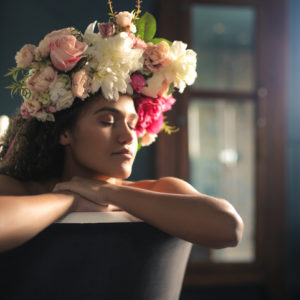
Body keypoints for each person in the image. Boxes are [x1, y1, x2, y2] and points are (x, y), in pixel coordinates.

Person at [0, 4, 244, 254]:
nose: (128, 136)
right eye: (107, 121)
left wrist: (107, 192)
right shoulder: (17, 190)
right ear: (65, 132)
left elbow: (229, 228)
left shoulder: (162, 190)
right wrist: (70, 198)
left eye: (132, 124)